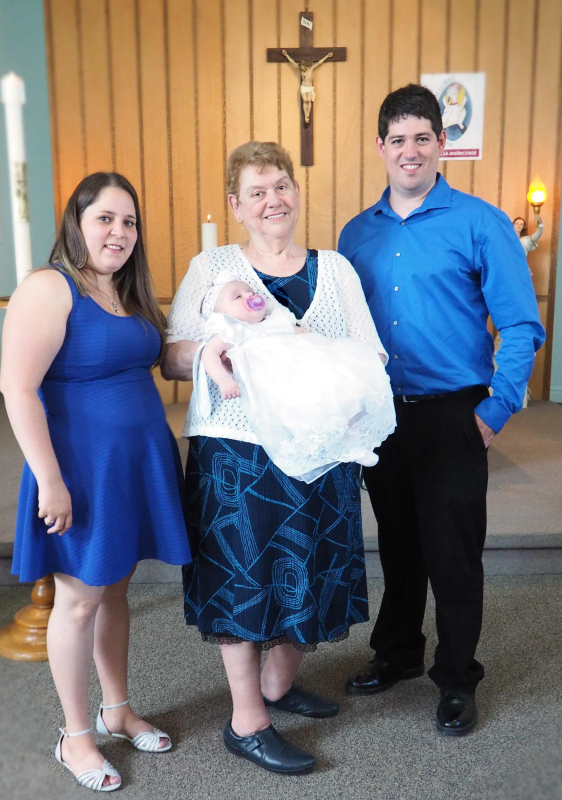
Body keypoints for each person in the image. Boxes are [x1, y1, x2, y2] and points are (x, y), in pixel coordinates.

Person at [162, 141, 388, 774]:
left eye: (281, 186)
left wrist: (326, 366)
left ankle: (278, 683)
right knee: (243, 575)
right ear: (236, 206)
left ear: (298, 192)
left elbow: (371, 352)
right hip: (236, 450)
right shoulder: (212, 267)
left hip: (319, 448)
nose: (272, 201)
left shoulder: (335, 269)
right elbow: (172, 356)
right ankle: (247, 719)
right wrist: (212, 349)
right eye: (256, 192)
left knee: (309, 565)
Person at [338, 84, 545, 737]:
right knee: (398, 546)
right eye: (398, 139)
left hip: (457, 413)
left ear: (442, 144)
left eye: (422, 138)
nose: (410, 150)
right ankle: (398, 652)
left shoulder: (481, 222)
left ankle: (457, 677)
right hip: (382, 416)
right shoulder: (356, 234)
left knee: (453, 554)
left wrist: (496, 409)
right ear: (380, 146)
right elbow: (345, 330)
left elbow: (522, 324)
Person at [1, 172, 191, 792]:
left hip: (133, 466)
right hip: (81, 470)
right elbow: (16, 388)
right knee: (79, 600)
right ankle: (76, 736)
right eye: (104, 218)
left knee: (113, 593)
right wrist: (50, 480)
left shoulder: (127, 290)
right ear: (76, 223)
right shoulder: (49, 286)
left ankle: (117, 710)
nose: (119, 232)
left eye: (128, 221)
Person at [196, 274, 395, 480]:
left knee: (340, 392)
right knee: (302, 411)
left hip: (306, 368)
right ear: (220, 313)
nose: (250, 296)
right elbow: (209, 354)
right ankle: (339, 448)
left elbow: (301, 333)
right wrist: (223, 380)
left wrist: (324, 348)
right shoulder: (231, 329)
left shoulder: (275, 319)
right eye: (238, 297)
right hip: (278, 381)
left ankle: (354, 442)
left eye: (251, 292)